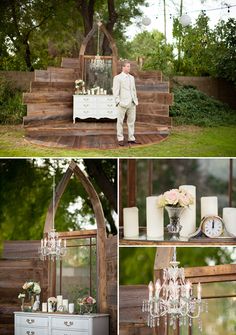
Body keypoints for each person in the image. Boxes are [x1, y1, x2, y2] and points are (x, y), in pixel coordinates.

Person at [113, 61, 139, 146]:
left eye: (129, 66)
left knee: (131, 121)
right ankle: (120, 138)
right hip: (122, 103)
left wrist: (135, 100)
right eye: (127, 66)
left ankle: (131, 138)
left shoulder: (132, 78)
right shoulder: (117, 78)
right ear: (123, 67)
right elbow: (115, 91)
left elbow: (134, 90)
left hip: (132, 103)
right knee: (120, 121)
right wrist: (118, 102)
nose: (129, 68)